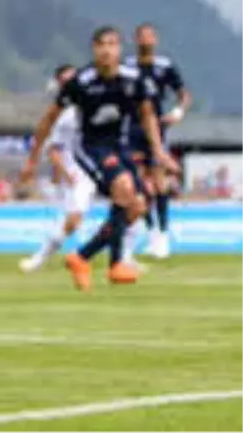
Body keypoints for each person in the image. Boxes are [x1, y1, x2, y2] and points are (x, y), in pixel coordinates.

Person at [21, 26, 177, 291]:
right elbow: (49, 118)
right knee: (124, 187)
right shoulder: (81, 82)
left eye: (112, 44)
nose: (106, 50)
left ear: (119, 49)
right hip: (90, 147)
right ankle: (111, 263)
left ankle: (88, 258)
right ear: (94, 49)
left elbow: (148, 114)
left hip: (120, 146)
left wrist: (159, 150)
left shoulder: (133, 78)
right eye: (101, 45)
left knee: (138, 206)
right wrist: (33, 159)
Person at [19, 64, 101, 273]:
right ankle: (41, 258)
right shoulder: (63, 116)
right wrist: (63, 173)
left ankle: (123, 258)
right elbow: (54, 149)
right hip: (76, 173)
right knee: (73, 219)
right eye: (65, 81)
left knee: (131, 202)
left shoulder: (93, 106)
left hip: (98, 167)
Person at [125, 23, 191, 259]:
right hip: (132, 128)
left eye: (149, 36)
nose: (145, 40)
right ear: (135, 39)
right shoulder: (128, 66)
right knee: (138, 183)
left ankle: (162, 234)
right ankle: (150, 229)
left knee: (160, 180)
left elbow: (184, 95)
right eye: (141, 36)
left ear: (156, 40)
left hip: (156, 127)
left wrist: (177, 112)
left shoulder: (165, 66)